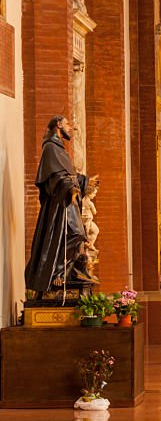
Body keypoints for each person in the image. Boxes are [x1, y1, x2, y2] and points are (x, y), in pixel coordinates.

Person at [24, 116, 95, 294]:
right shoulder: (50, 147)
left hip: (68, 201)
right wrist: (70, 188)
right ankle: (56, 273)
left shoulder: (58, 148)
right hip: (60, 202)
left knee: (76, 235)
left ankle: (64, 273)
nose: (70, 128)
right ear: (58, 125)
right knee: (73, 234)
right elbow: (53, 176)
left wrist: (85, 181)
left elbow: (67, 174)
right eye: (67, 124)